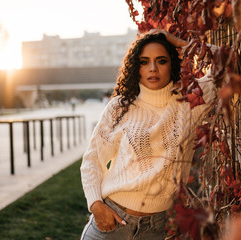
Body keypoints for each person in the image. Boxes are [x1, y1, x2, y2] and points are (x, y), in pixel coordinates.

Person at [80, 29, 217, 240]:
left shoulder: (190, 103)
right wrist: (96, 204)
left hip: (154, 229)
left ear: (172, 63)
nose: (152, 68)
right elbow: (92, 160)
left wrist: (178, 42)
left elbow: (228, 64)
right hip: (110, 224)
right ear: (137, 67)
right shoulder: (121, 107)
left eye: (161, 61)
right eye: (144, 62)